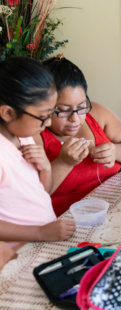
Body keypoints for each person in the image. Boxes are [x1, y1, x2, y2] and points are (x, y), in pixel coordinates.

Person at [34, 56, 121, 217]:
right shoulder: (35, 134)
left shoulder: (97, 114)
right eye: (64, 110)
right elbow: (31, 195)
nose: (75, 118)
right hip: (69, 223)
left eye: (81, 106)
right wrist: (63, 163)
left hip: (119, 211)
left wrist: (116, 151)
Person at [0, 57, 76, 269]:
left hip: (40, 243)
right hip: (16, 256)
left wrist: (46, 168)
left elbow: (41, 192)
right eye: (42, 117)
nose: (49, 123)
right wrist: (40, 232)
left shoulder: (23, 136)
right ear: (7, 112)